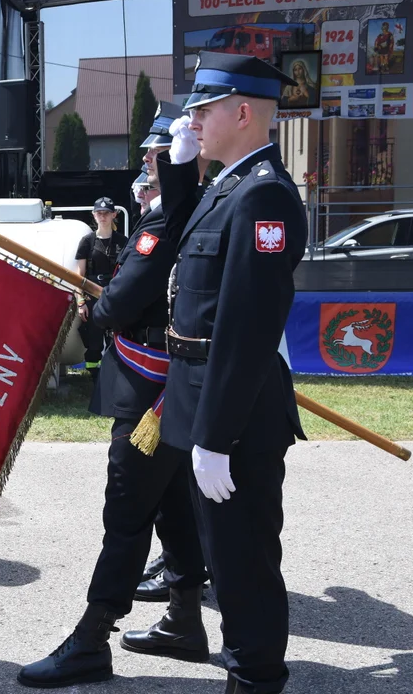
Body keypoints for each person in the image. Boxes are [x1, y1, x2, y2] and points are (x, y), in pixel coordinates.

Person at [18, 103, 209, 688]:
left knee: (126, 512)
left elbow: (123, 300)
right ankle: (183, 620)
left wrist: (96, 310)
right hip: (169, 384)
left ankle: (92, 637)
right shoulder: (186, 211)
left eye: (156, 156)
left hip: (150, 389)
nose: (149, 165)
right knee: (173, 503)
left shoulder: (164, 221)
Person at [160, 51, 306, 694]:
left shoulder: (264, 193)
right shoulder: (228, 185)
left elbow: (245, 328)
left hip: (235, 414)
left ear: (243, 113)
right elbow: (178, 239)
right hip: (201, 395)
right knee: (222, 551)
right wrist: (178, 165)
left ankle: (254, 681)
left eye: (203, 108)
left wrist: (215, 436)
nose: (192, 118)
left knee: (242, 560)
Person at [74, 198, 127, 370]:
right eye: (99, 213)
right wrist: (80, 302)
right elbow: (79, 276)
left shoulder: (123, 242)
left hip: (115, 296)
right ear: (94, 215)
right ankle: (93, 376)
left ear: (114, 215)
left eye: (106, 213)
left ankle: (114, 373)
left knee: (116, 338)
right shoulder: (86, 242)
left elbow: (128, 273)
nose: (102, 217)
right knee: (94, 341)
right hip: (92, 297)